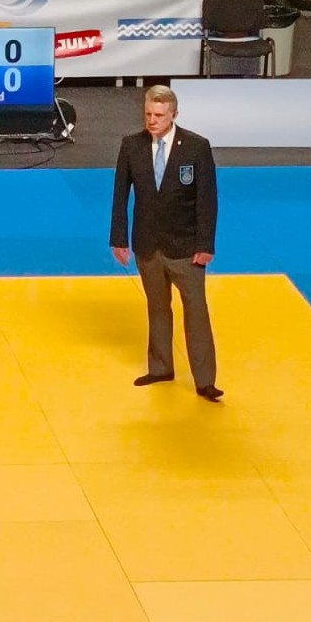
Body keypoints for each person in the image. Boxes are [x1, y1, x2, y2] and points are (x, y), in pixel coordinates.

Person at [110, 85, 223, 402]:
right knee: (157, 308)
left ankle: (205, 381)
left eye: (159, 115)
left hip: (186, 248)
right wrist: (118, 238)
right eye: (148, 114)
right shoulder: (131, 145)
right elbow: (120, 195)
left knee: (196, 312)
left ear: (174, 114)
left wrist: (205, 244)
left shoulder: (197, 148)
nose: (152, 120)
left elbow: (207, 200)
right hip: (147, 244)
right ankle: (160, 367)